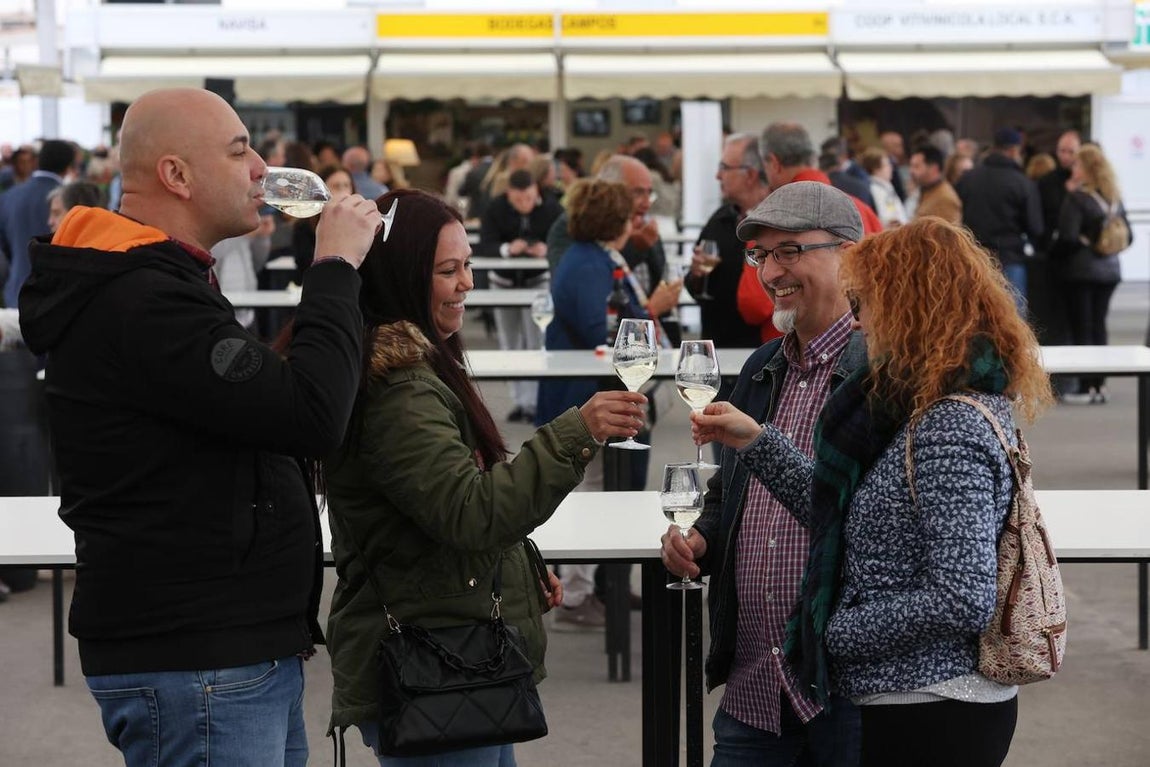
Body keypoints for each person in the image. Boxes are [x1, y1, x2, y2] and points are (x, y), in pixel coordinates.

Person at [17, 87, 380, 766]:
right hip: (200, 660)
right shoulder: (144, 299)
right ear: (177, 175)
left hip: (222, 649)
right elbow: (311, 413)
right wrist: (333, 268)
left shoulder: (152, 284)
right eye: (241, 151)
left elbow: (258, 411)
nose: (260, 172)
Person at [691, 216, 1054, 767]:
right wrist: (756, 440)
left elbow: (961, 596)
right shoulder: (922, 404)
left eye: (863, 304)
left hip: (930, 709)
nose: (856, 324)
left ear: (910, 309)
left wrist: (832, 633)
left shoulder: (948, 426)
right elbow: (841, 506)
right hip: (911, 703)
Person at [323, 188, 647, 765]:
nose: (467, 283)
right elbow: (469, 513)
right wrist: (578, 432)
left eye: (468, 264)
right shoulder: (400, 391)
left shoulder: (413, 368)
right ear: (400, 276)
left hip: (455, 651)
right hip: (435, 661)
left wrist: (521, 564)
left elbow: (439, 509)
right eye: (449, 270)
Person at [660, 181, 866, 766]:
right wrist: (704, 536)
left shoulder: (880, 372)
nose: (771, 271)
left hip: (845, 688)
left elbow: (870, 518)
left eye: (790, 251)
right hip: (755, 684)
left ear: (849, 253)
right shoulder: (759, 367)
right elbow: (732, 493)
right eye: (760, 256)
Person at [538, 178, 680, 628]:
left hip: (589, 390)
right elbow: (599, 328)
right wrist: (651, 310)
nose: (635, 221)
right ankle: (579, 595)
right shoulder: (588, 262)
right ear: (614, 220)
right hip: (582, 395)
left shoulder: (593, 257)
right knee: (589, 491)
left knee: (595, 488)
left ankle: (597, 588)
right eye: (629, 214)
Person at [477, 168, 563, 423]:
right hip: (502, 283)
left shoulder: (552, 209)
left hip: (537, 283)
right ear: (509, 194)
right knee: (510, 342)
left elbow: (563, 241)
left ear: (536, 191)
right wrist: (506, 248)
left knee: (537, 340)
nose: (524, 204)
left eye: (528, 199)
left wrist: (546, 249)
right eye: (518, 200)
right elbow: (484, 244)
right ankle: (520, 401)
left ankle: (536, 401)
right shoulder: (495, 208)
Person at [1051, 144, 1129, 404]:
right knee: (1099, 325)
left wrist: (1055, 254)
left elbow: (1067, 237)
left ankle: (1085, 385)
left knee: (1082, 327)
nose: (1073, 169)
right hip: (1110, 270)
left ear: (1085, 168)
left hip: (1081, 271)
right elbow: (1130, 235)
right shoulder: (1114, 198)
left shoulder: (1078, 198)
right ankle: (1100, 385)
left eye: (1076, 164)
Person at [687, 132, 774, 352]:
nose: (717, 176)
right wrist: (697, 275)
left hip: (760, 349)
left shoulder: (775, 221)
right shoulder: (720, 218)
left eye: (725, 168)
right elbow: (694, 284)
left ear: (751, 174)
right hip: (716, 348)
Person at [957, 127, 1043, 311]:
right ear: (1013, 150)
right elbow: (1035, 227)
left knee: (976, 318)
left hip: (974, 259)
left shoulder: (968, 179)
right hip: (1010, 259)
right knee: (1013, 320)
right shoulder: (1022, 183)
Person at [760, 122, 882, 236]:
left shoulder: (771, 219)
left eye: (765, 167)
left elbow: (756, 258)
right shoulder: (861, 210)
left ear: (774, 163)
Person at [1, 139, 74, 307]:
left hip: (16, 292)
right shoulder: (70, 198)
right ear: (68, 166)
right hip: (57, 296)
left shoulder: (8, 197)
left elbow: (4, 248)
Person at [909, 145, 962, 225]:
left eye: (917, 166)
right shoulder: (926, 190)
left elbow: (949, 235)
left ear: (934, 169)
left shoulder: (945, 199)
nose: (911, 171)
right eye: (911, 166)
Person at [860, 147, 907, 229]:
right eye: (886, 165)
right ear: (876, 169)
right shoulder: (876, 191)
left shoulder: (886, 187)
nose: (890, 168)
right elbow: (888, 220)